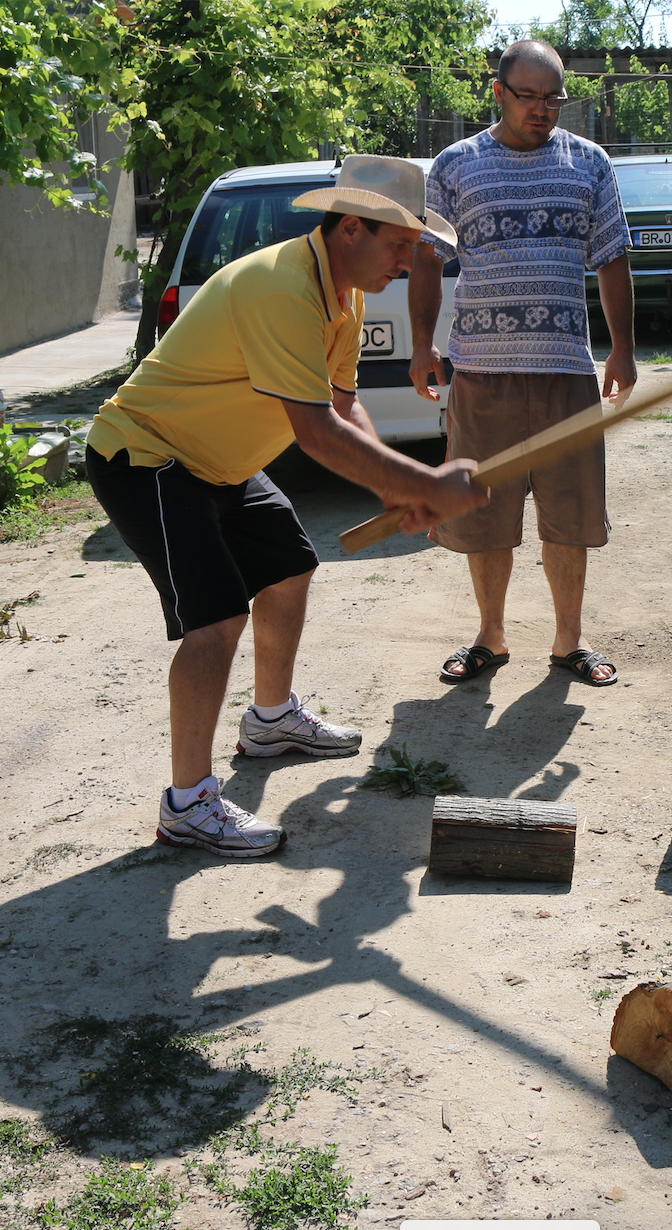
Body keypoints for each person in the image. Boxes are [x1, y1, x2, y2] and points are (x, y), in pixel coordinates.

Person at [86, 156, 486, 859]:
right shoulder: (282, 286)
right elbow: (316, 432)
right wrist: (422, 482)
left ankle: (270, 722)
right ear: (352, 228)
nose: (409, 261)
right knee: (216, 618)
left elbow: (344, 405)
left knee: (289, 567)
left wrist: (397, 487)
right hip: (147, 455)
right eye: (400, 243)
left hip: (220, 462)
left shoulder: (346, 295)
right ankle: (187, 805)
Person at [408, 39, 637, 688]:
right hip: (483, 375)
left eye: (552, 98)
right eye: (528, 96)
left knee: (571, 513)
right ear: (499, 92)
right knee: (483, 515)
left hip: (566, 370)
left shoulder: (589, 163)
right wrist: (422, 345)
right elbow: (426, 259)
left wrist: (622, 348)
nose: (541, 109)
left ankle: (570, 641)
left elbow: (613, 257)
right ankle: (491, 635)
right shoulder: (456, 165)